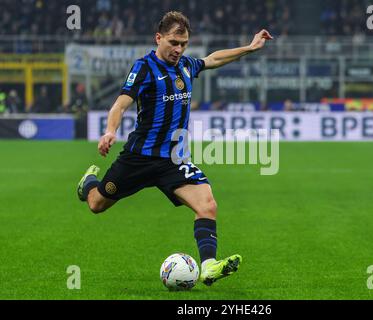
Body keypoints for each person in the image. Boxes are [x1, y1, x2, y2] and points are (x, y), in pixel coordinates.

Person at [76, 11, 273, 286]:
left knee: (208, 205)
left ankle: (208, 266)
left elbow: (214, 58)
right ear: (159, 38)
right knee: (96, 204)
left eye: (183, 44)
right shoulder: (143, 68)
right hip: (139, 158)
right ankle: (88, 183)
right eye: (173, 42)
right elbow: (120, 104)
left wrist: (250, 48)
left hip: (173, 161)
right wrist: (110, 131)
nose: (178, 49)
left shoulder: (186, 66)